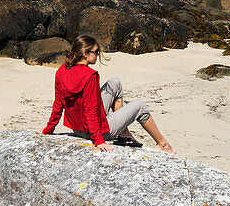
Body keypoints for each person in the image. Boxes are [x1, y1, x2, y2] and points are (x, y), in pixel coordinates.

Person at [39, 34, 175, 153]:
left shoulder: (62, 70)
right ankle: (163, 144)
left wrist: (48, 130)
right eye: (96, 52)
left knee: (114, 83)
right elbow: (90, 111)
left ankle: (123, 134)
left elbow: (58, 104)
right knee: (140, 106)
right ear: (85, 54)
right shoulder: (90, 76)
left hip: (77, 128)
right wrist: (99, 141)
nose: (98, 55)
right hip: (94, 132)